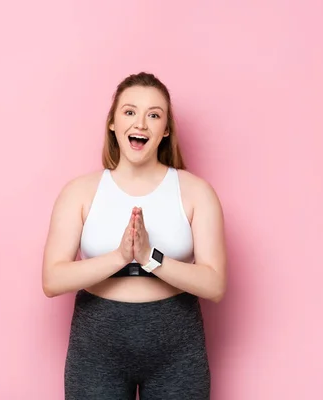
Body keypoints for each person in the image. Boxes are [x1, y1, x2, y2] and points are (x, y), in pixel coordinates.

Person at [41, 72, 227, 399]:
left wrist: (150, 257)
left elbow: (214, 285)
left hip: (176, 348)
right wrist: (120, 257)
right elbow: (52, 280)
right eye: (129, 112)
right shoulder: (80, 192)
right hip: (96, 348)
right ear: (112, 122)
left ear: (165, 129)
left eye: (153, 115)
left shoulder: (196, 192)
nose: (140, 123)